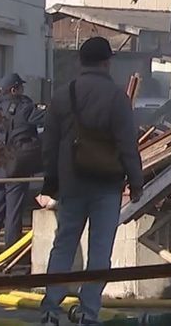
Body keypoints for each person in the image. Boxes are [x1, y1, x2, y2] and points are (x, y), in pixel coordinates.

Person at [40, 37, 143, 326]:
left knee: (64, 244)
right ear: (107, 62)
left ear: (80, 62)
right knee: (100, 250)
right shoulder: (117, 98)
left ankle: (51, 308)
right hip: (107, 185)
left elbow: (48, 144)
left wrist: (51, 182)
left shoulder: (63, 95)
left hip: (72, 183)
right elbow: (127, 144)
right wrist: (136, 182)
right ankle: (88, 312)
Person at [0, 73, 45, 260]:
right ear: (15, 89)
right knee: (13, 212)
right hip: (16, 165)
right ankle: (12, 255)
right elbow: (46, 119)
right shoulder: (24, 107)